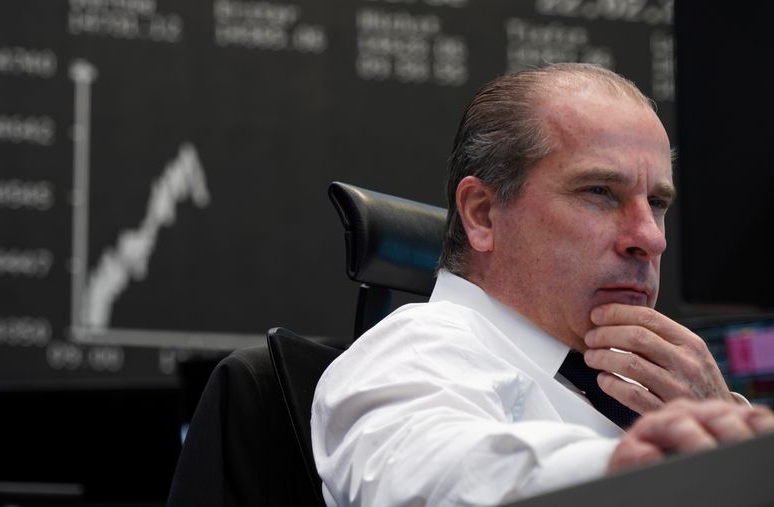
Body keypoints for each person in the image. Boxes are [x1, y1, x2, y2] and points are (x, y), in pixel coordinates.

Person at [311, 63, 774, 506]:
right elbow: (424, 473)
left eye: (655, 201)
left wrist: (727, 434)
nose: (651, 239)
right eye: (599, 192)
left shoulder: (638, 384)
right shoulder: (416, 351)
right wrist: (633, 469)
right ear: (482, 214)